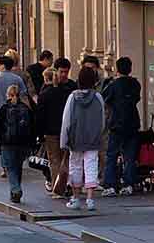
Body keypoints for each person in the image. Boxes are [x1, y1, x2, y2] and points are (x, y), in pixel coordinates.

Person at [61, 67, 105, 211]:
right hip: (93, 137)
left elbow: (66, 120)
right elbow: (102, 119)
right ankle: (90, 199)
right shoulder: (98, 97)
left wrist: (64, 140)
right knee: (91, 165)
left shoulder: (72, 97)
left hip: (76, 137)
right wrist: (99, 133)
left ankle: (75, 198)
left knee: (75, 166)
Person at [101, 57, 142, 198]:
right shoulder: (135, 84)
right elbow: (136, 99)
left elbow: (105, 98)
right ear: (130, 69)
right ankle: (129, 184)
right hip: (132, 123)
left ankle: (110, 185)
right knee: (130, 156)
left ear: (117, 69)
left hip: (117, 123)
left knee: (112, 155)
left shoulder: (113, 85)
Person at [36, 58, 76, 196]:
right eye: (62, 72)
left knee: (56, 161)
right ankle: (65, 185)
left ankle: (58, 188)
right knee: (64, 160)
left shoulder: (46, 92)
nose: (64, 75)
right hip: (63, 130)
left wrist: (39, 134)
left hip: (53, 131)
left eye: (66, 72)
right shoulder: (68, 90)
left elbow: (40, 115)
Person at [0, 55, 28, 177]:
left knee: (1, 142)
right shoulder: (18, 79)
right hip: (17, 114)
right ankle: (15, 163)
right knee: (16, 138)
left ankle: (5, 166)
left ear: (2, 65)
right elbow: (24, 96)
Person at [0, 85, 36, 202]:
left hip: (8, 143)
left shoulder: (4, 109)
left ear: (8, 95)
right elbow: (33, 127)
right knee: (18, 167)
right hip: (23, 143)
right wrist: (32, 144)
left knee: (10, 168)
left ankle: (16, 189)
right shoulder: (26, 109)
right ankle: (14, 191)